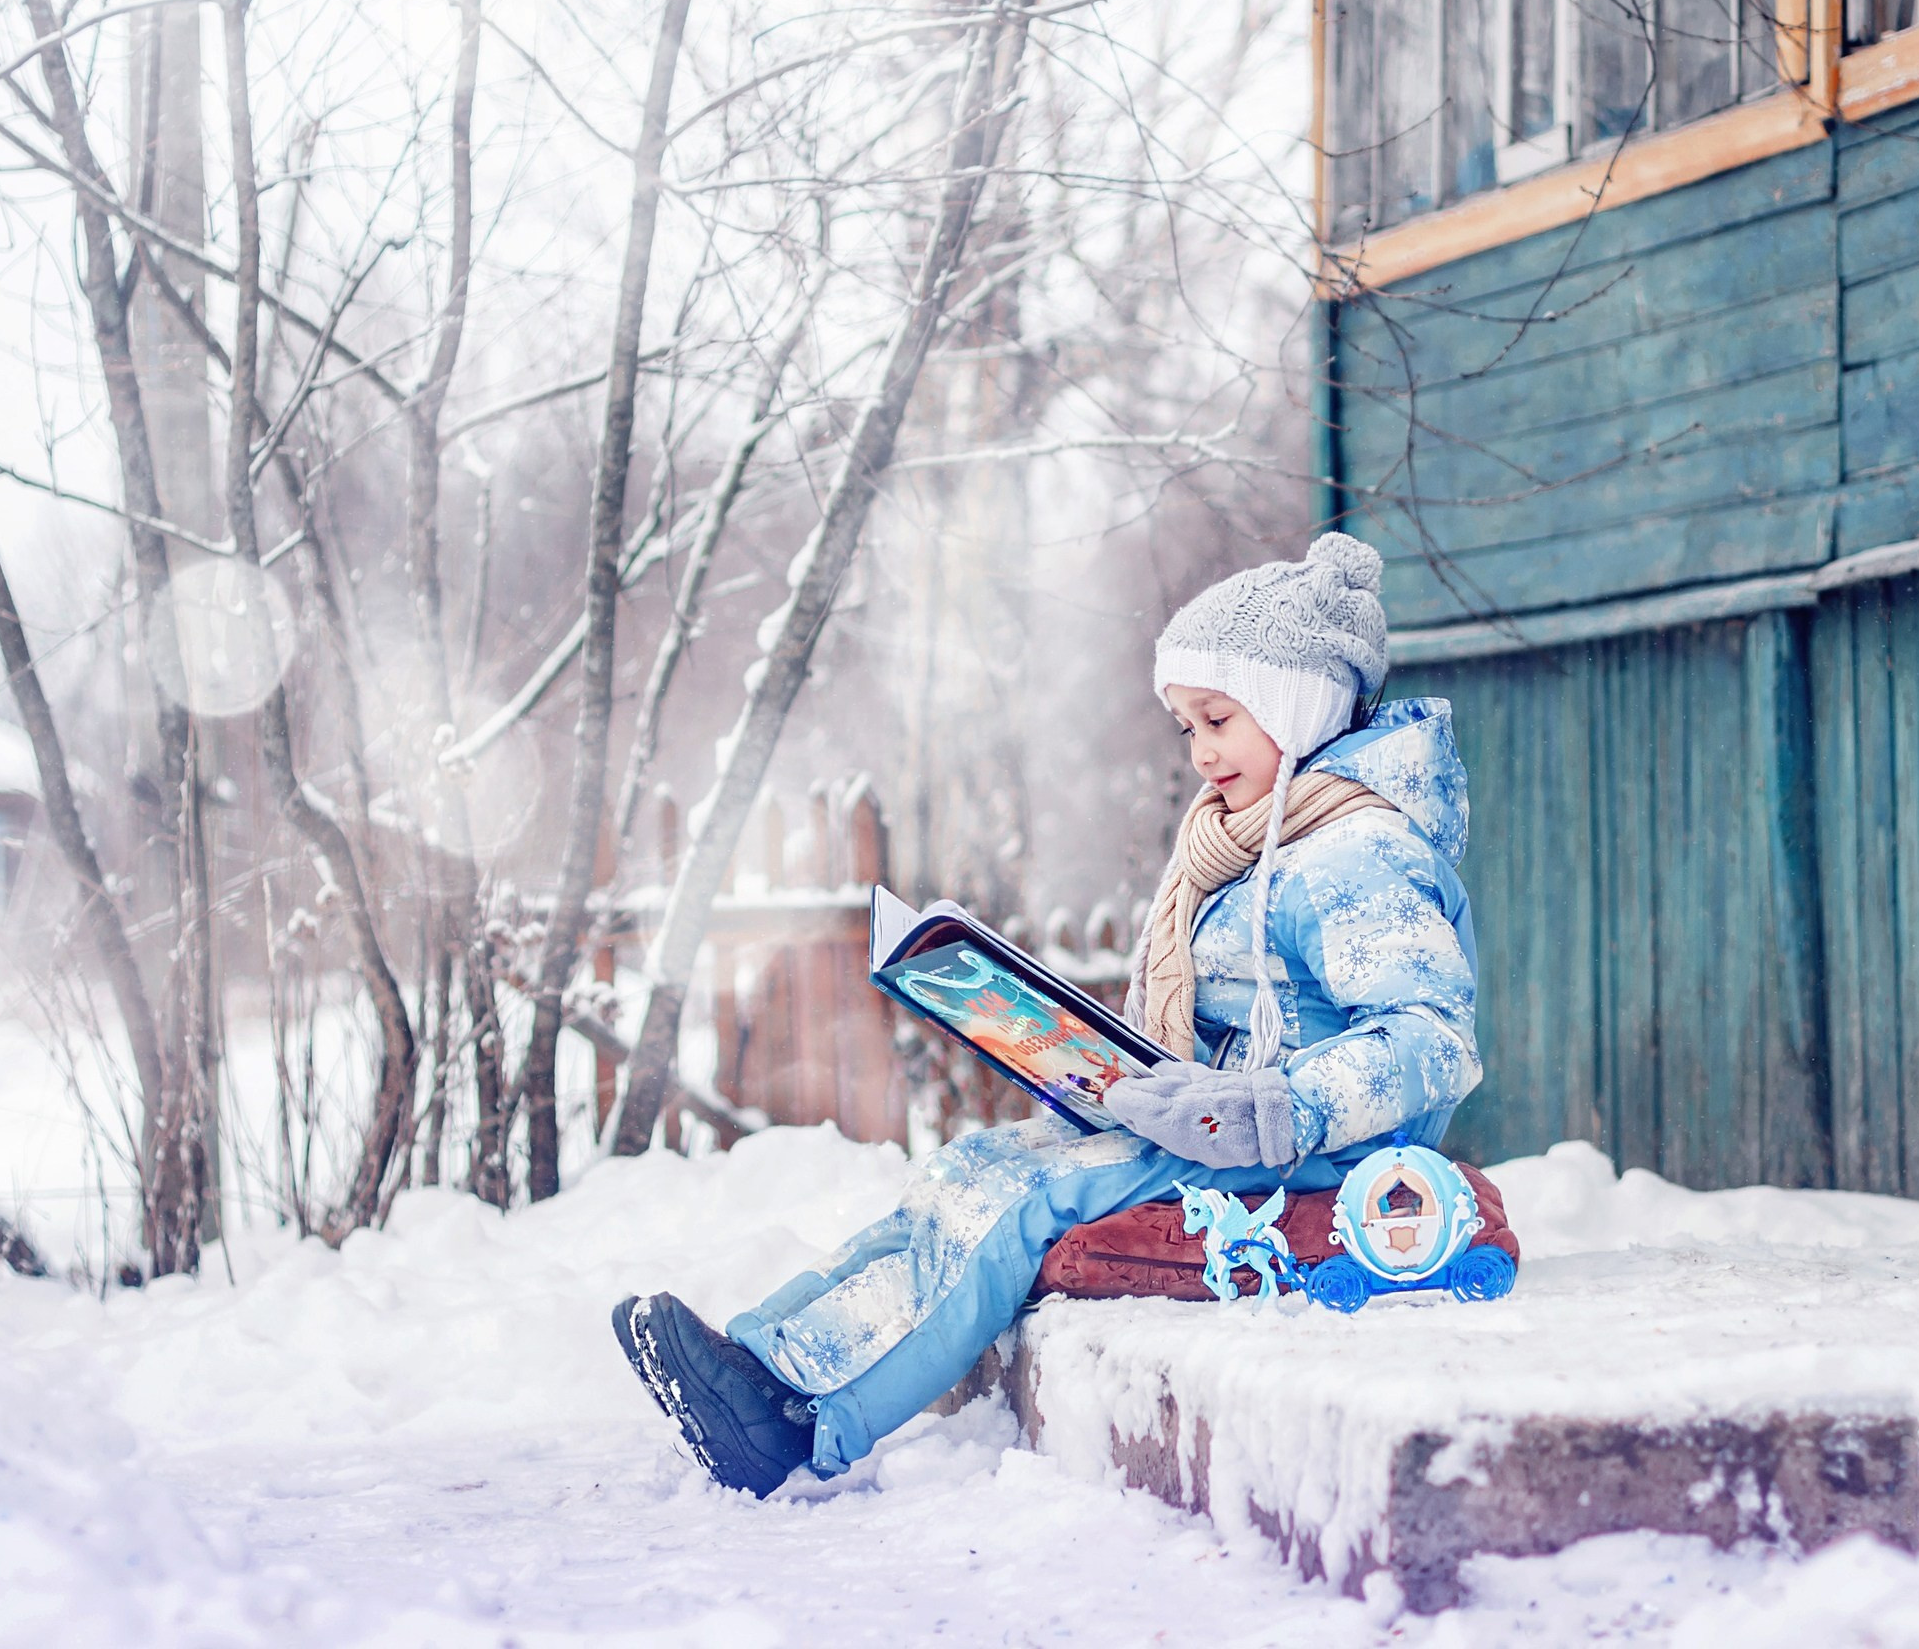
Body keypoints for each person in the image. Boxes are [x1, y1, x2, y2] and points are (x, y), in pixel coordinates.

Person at [613, 532, 1480, 1495]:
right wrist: (1090, 1061)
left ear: (1297, 707)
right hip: (1215, 1119)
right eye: (1186, 727)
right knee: (969, 1168)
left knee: (1019, 1205)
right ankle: (765, 1362)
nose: (1200, 753)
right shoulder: (1242, 844)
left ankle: (801, 1422)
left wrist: (1273, 1106)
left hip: (1312, 1146)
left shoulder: (1356, 854)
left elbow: (1431, 1038)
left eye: (1219, 720)